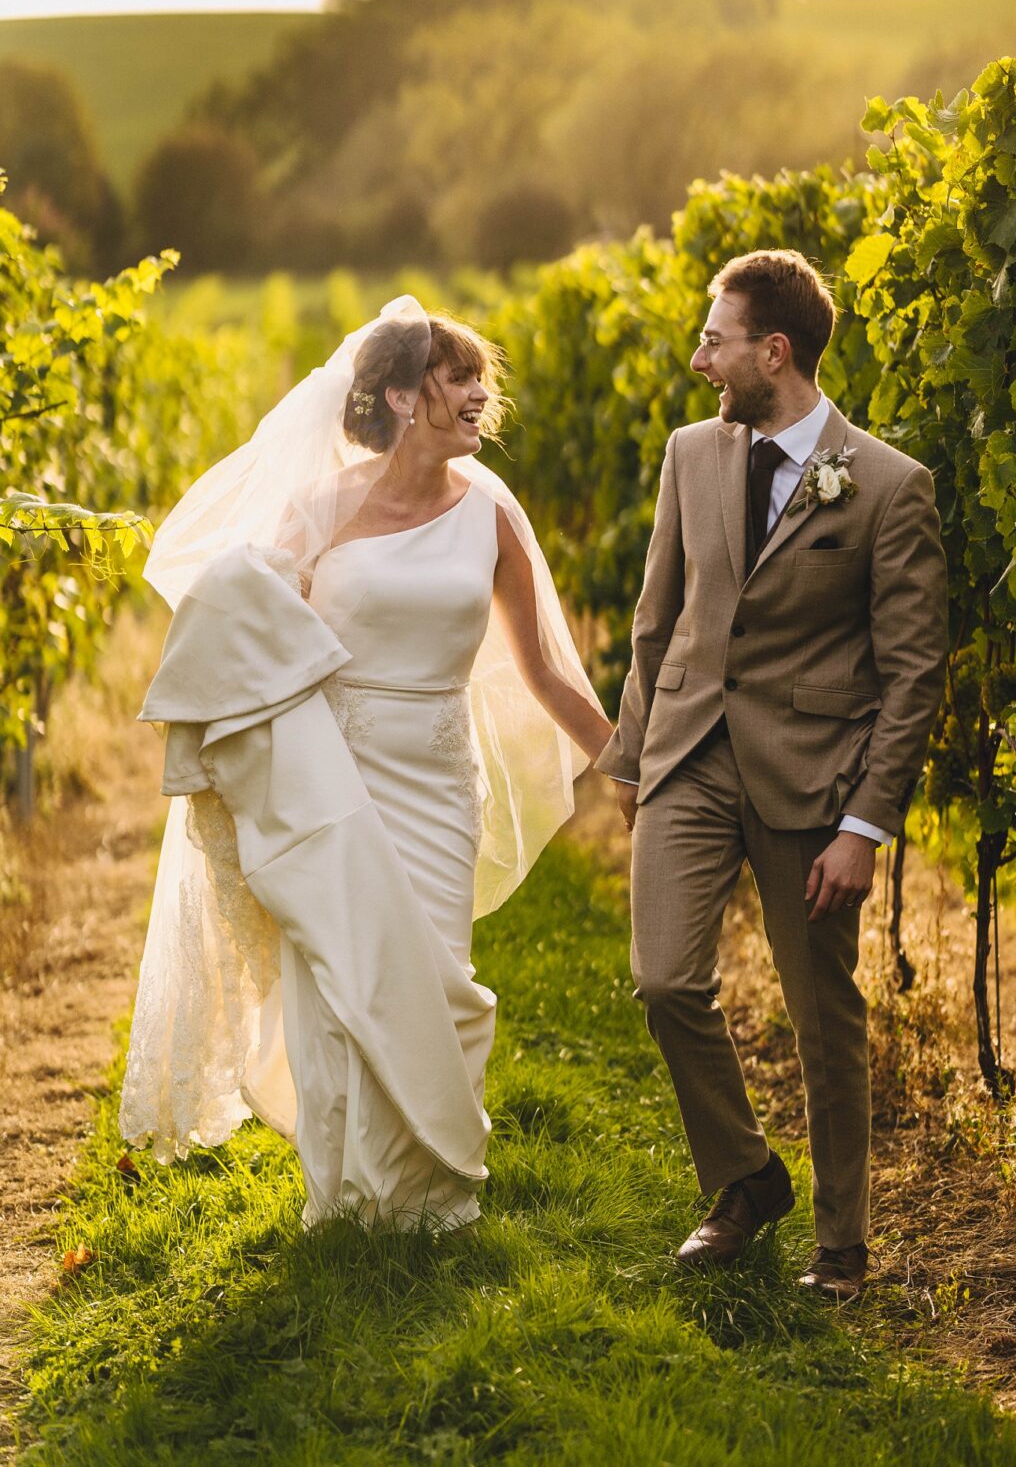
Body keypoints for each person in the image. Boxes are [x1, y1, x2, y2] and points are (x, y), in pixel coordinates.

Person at [121, 297, 611, 1231]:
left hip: (438, 777)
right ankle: (345, 1199)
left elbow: (545, 667)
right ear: (397, 395)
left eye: (479, 379)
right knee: (336, 980)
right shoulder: (321, 511)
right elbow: (243, 615)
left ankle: (426, 1196)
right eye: (456, 378)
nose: (479, 395)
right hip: (337, 778)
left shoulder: (494, 514)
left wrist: (626, 762)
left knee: (430, 974)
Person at [595, 250, 947, 1301]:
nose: (698, 355)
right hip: (689, 758)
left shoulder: (887, 486)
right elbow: (657, 618)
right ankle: (745, 1176)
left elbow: (912, 672)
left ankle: (840, 1244)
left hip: (811, 782)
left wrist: (865, 824)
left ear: (772, 352)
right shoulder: (689, 454)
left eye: (714, 339)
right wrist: (629, 751)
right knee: (663, 978)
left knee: (819, 1013)